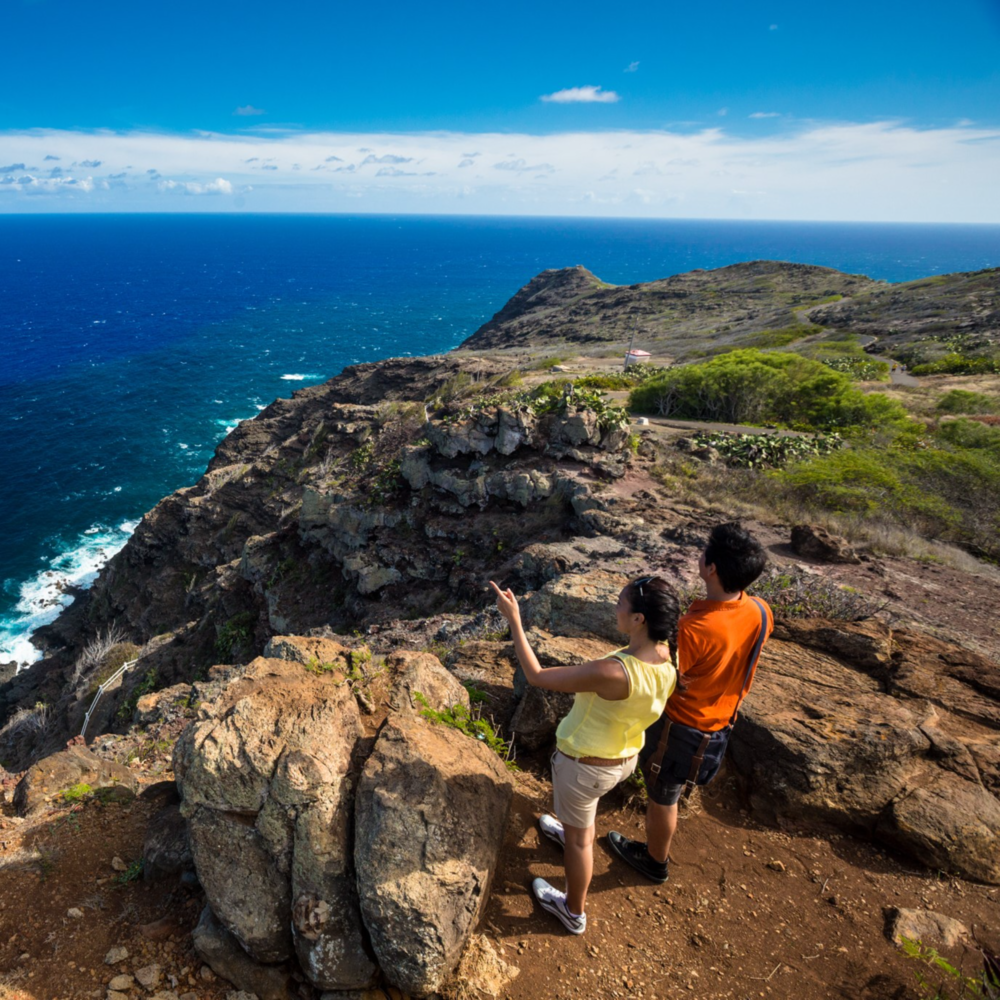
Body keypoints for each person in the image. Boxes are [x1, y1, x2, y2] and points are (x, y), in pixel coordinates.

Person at [490, 575, 679, 935]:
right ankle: (569, 830)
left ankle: (572, 911)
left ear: (639, 619)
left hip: (584, 766)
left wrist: (514, 619)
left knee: (581, 842)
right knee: (580, 818)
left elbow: (537, 675)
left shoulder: (612, 672)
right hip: (623, 758)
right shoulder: (666, 655)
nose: (616, 607)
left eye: (622, 602)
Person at [608, 522, 773, 884]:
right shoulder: (760, 610)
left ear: (711, 568)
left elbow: (669, 678)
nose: (700, 556)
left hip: (680, 727)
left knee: (663, 795)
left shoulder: (695, 629)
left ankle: (654, 861)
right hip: (720, 721)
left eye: (704, 553)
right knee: (671, 789)